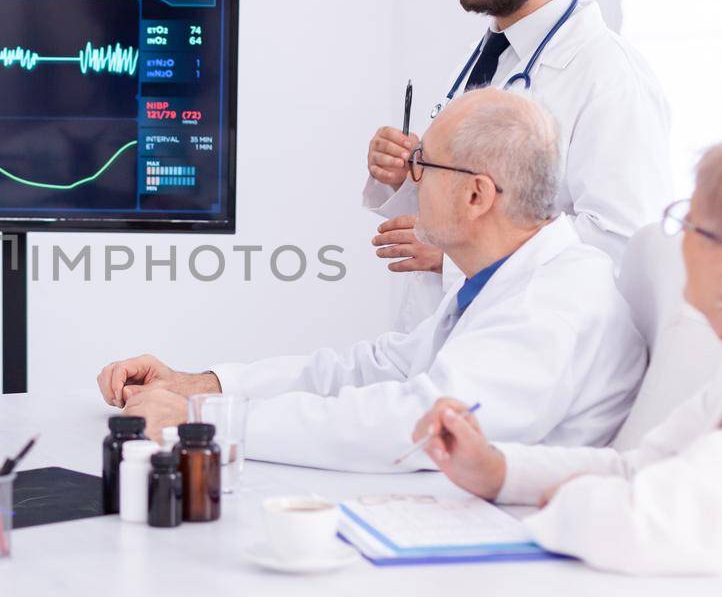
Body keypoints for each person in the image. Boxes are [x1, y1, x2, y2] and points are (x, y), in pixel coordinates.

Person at [412, 131, 722, 597]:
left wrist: (573, 498)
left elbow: (638, 524)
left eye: (688, 223)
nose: (678, 240)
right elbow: (640, 467)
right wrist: (497, 470)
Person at [97, 89, 646, 470]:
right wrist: (208, 386)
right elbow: (377, 368)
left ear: (477, 195)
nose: (410, 181)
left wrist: (199, 420)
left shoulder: (551, 305)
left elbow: (411, 426)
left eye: (423, 166)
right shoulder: (503, 280)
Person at [365, 0, 672, 328]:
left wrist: (454, 255)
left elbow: (621, 246)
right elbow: (464, 197)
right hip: (445, 346)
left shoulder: (609, 76)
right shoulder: (489, 53)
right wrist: (404, 175)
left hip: (531, 352)